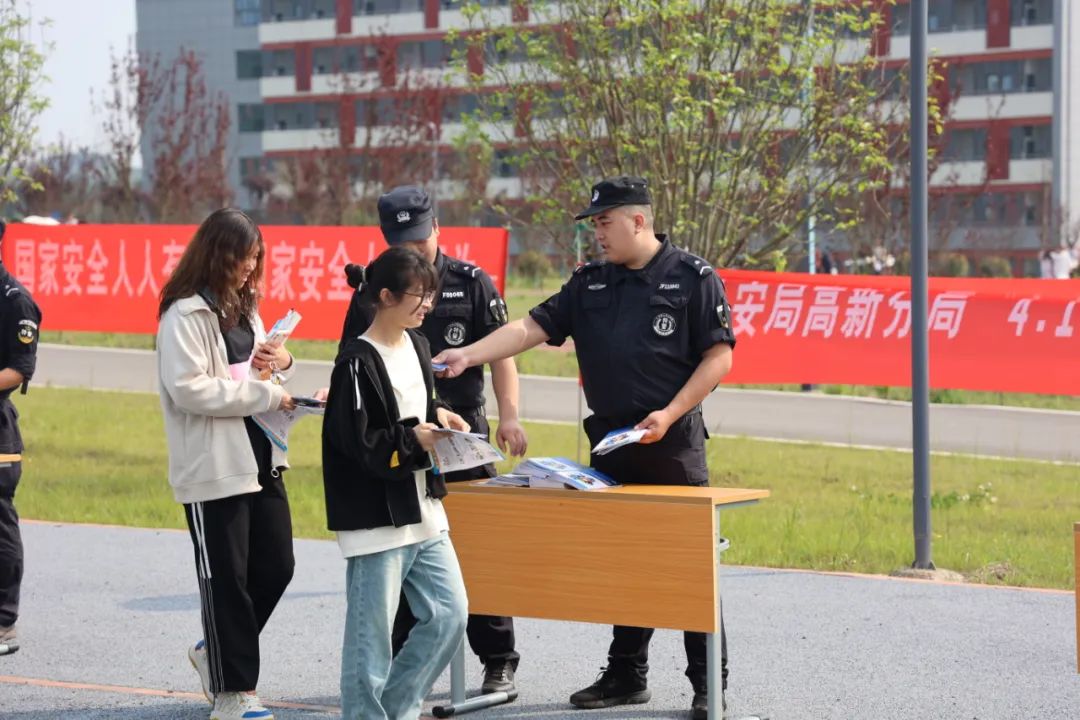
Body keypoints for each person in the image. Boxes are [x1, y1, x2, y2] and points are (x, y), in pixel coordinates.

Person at [434, 176, 738, 720]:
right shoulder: (590, 283)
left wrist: (669, 413)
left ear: (638, 221)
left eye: (604, 222)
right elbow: (529, 327)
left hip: (671, 443)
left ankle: (708, 685)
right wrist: (469, 355)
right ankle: (626, 674)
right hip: (612, 444)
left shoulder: (693, 278)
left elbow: (719, 357)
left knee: (687, 564)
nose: (597, 233)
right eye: (594, 224)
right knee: (623, 561)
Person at [338, 184, 527, 695]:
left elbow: (503, 355)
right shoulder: (377, 288)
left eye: (421, 239)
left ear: (438, 229)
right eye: (402, 242)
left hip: (461, 433)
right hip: (401, 440)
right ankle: (402, 666)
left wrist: (509, 416)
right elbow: (352, 360)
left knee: (477, 550)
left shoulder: (470, 281)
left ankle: (497, 658)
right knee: (406, 552)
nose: (415, 250)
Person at [157, 208, 298, 720]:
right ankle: (234, 693)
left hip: (261, 453)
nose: (251, 267)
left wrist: (280, 364)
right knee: (226, 581)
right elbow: (189, 390)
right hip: (213, 463)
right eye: (244, 257)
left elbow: (257, 373)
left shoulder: (244, 307)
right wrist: (264, 395)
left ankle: (214, 653)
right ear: (218, 255)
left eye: (256, 257)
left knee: (277, 566)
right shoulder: (184, 315)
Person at [323, 246, 469, 720]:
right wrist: (415, 440)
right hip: (377, 518)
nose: (428, 305)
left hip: (423, 507)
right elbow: (362, 444)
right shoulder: (355, 362)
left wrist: (440, 414)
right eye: (418, 296)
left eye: (431, 295)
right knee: (370, 642)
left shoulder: (418, 345)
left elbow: (417, 404)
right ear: (385, 296)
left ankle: (394, 709)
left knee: (450, 614)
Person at [0, 219, 42, 658]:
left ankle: (3, 622)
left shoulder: (15, 301)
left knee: (0, 523)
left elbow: (20, 368)